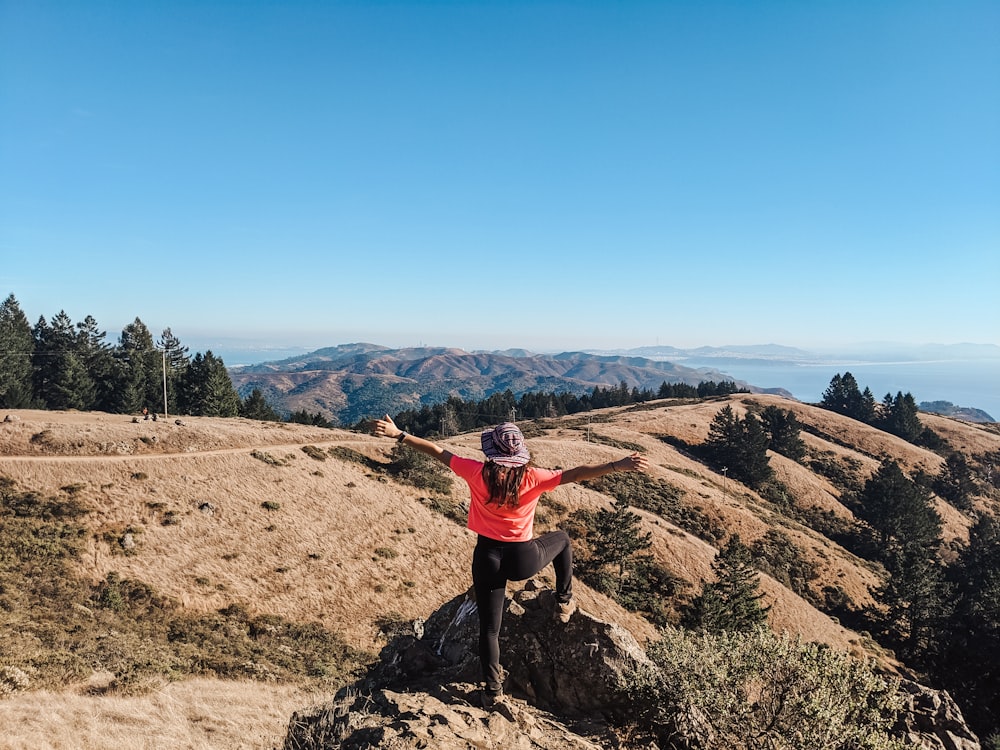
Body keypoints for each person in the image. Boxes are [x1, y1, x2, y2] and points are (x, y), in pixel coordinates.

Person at [373, 414, 648, 708]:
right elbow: (577, 473)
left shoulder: (477, 472)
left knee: (489, 629)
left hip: (487, 557)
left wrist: (399, 434)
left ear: (491, 452)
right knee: (563, 539)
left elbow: (438, 452)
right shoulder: (533, 477)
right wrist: (617, 465)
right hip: (522, 558)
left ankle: (492, 691)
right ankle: (564, 601)